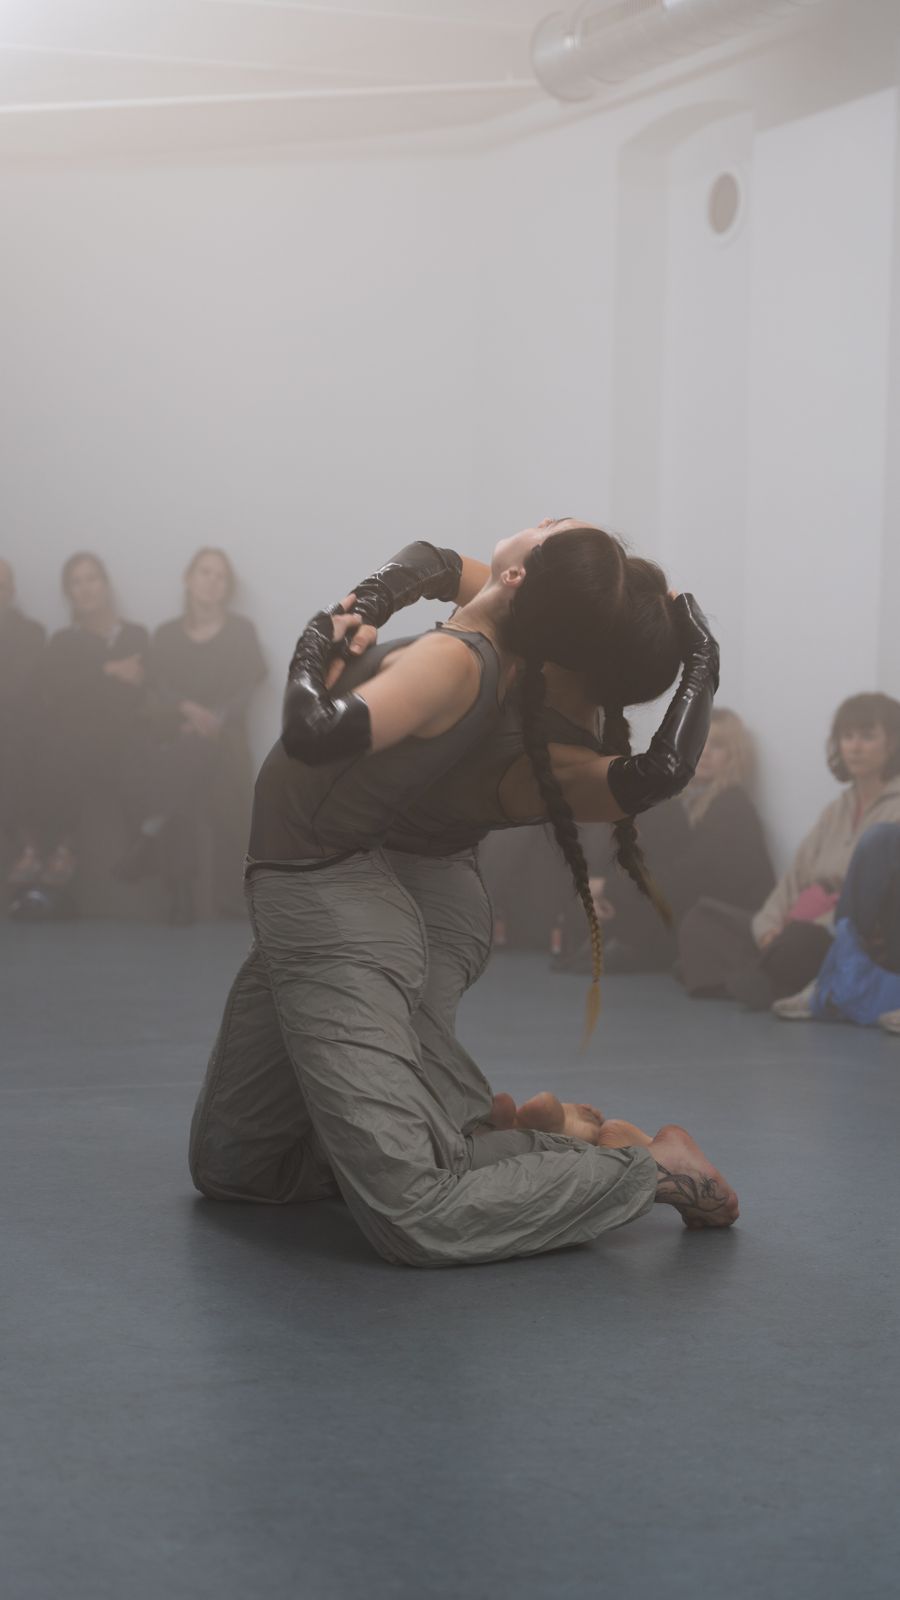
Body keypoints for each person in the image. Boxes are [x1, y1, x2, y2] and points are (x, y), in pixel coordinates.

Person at [189, 519, 738, 1267]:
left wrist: (703, 663)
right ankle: (483, 1140)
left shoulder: (505, 693)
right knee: (237, 1165)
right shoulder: (522, 625)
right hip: (341, 887)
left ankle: (647, 1169)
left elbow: (656, 775)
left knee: (417, 1209)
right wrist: (369, 603)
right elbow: (436, 561)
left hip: (382, 899)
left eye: (550, 535)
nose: (538, 531)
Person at [678, 692, 900, 1008]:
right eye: (847, 736)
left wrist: (802, 927)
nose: (855, 747)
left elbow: (871, 905)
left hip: (839, 931)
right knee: (703, 919)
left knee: (801, 941)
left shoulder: (894, 811)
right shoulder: (836, 810)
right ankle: (768, 976)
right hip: (796, 924)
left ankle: (754, 976)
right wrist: (768, 928)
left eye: (867, 736)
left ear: (891, 744)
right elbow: (793, 879)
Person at [123, 549, 267, 923]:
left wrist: (213, 720)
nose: (212, 581)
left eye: (221, 576)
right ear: (188, 578)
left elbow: (247, 687)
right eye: (205, 572)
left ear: (227, 588)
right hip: (177, 734)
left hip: (224, 740)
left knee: (188, 762)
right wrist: (187, 711)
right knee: (184, 758)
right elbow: (159, 688)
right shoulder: (166, 635)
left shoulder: (241, 632)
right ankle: (192, 891)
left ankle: (159, 852)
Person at [17, 553, 149, 900]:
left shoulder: (135, 635)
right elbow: (56, 691)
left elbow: (131, 696)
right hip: (74, 744)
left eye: (91, 578)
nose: (85, 588)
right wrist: (109, 670)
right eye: (76, 582)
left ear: (105, 585)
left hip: (119, 744)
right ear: (68, 593)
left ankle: (55, 847)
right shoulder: (62, 641)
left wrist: (86, 681)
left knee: (64, 740)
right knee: (44, 740)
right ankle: (50, 850)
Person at [773, 821, 900, 1029]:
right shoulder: (838, 811)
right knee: (882, 837)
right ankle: (832, 979)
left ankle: (839, 987)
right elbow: (795, 875)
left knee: (794, 945)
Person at [0, 560, 46, 882]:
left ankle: (27, 847)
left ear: (11, 591)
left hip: (15, 726)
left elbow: (14, 688)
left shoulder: (30, 632)